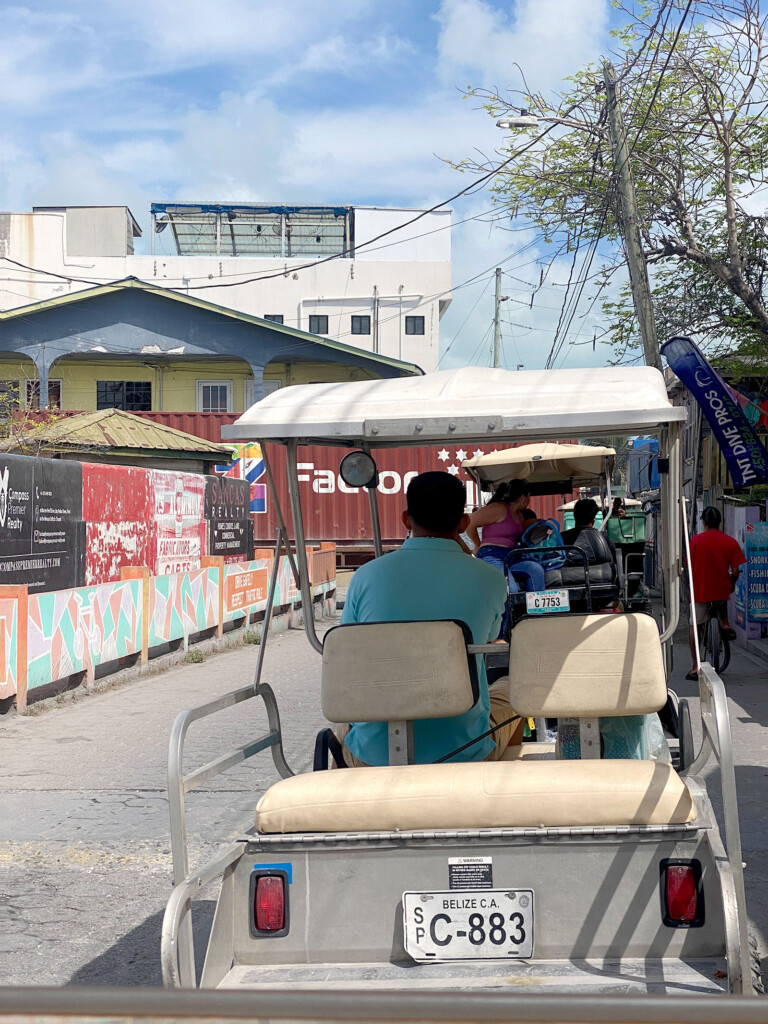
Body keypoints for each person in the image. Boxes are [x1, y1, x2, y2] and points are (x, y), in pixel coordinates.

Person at [339, 471, 523, 767]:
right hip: (463, 750)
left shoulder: (365, 576)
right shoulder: (490, 578)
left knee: (345, 729)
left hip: (374, 754)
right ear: (463, 523)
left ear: (405, 520)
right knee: (512, 689)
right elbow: (489, 638)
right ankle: (499, 776)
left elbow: (347, 644)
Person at [686, 506, 746, 680]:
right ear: (720, 522)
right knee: (723, 597)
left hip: (700, 590)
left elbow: (689, 566)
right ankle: (725, 624)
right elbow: (736, 571)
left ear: (704, 523)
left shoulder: (695, 541)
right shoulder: (730, 542)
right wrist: (731, 584)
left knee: (694, 626)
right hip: (721, 589)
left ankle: (695, 666)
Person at [465, 480, 547, 594]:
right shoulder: (498, 508)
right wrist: (478, 544)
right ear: (522, 497)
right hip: (491, 555)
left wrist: (539, 524)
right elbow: (469, 523)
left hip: (511, 556)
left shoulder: (519, 515)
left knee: (535, 569)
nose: (529, 500)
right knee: (510, 589)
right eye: (529, 496)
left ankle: (536, 605)